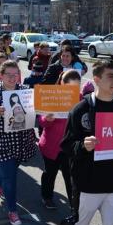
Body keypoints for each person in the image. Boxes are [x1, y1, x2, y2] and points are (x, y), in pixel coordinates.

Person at [56, 60, 113, 225]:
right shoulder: (81, 109)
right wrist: (83, 146)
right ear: (97, 79)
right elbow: (66, 145)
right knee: (81, 224)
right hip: (88, 183)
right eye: (111, 76)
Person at [0, 60, 37, 225]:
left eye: (15, 74)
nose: (12, 78)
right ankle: (12, 210)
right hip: (1, 143)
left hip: (22, 142)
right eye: (9, 75)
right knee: (11, 178)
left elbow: (33, 115)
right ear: (1, 75)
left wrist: (42, 114)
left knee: (9, 173)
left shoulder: (25, 91)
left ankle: (1, 183)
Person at [39, 69, 81, 210]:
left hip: (70, 147)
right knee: (49, 174)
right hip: (51, 145)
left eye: (76, 87)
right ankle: (47, 197)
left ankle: (74, 204)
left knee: (71, 177)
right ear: (62, 83)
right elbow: (42, 122)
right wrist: (48, 119)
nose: (73, 91)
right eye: (70, 87)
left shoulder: (81, 98)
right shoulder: (51, 95)